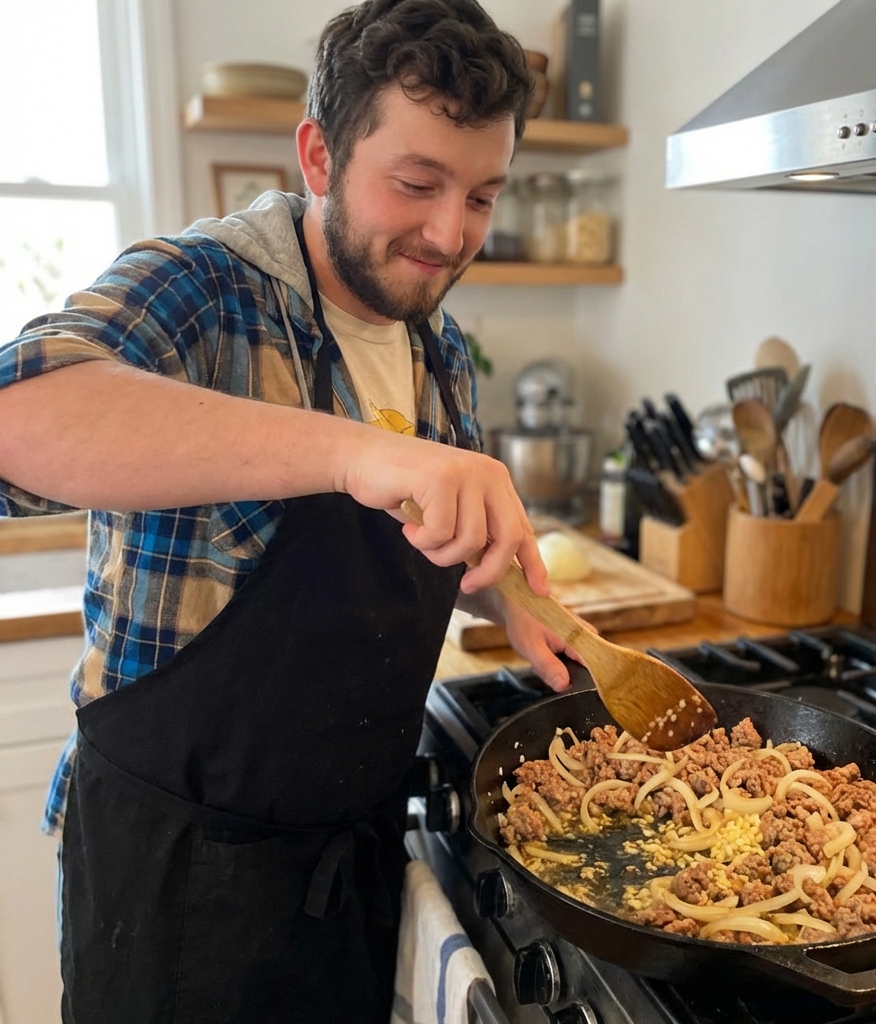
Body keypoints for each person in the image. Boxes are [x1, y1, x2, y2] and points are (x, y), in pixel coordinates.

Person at [0, 2, 581, 1020]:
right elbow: (16, 415)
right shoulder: (207, 288)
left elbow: (415, 538)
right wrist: (355, 450)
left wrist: (505, 597)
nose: (450, 235)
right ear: (318, 152)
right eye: (416, 184)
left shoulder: (432, 342)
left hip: (342, 860)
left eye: (482, 195)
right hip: (171, 883)